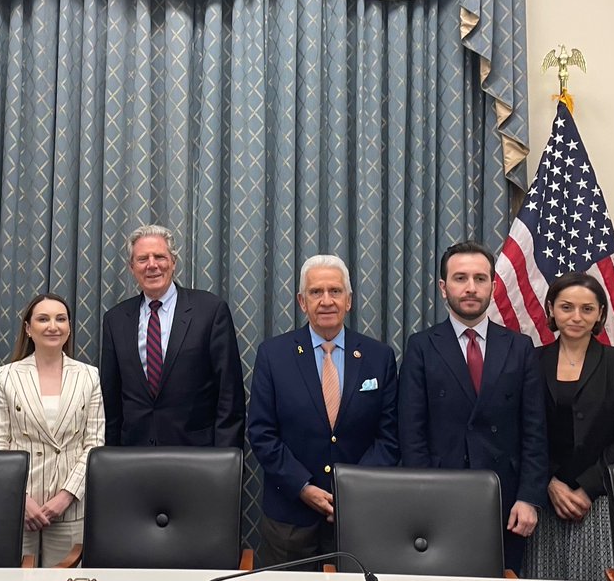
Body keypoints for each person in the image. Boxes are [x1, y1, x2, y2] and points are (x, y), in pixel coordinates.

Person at [398, 240, 548, 574]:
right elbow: (411, 431)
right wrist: (423, 496)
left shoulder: (520, 347)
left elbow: (534, 430)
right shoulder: (421, 347)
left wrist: (529, 497)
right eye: (460, 278)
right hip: (441, 494)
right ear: (443, 287)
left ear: (494, 286)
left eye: (480, 279)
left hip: (506, 500)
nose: (470, 288)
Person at [248, 255, 399, 568]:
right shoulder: (273, 355)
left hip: (360, 515)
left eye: (335, 291)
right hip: (290, 516)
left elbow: (390, 436)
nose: (327, 301)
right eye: (316, 292)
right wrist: (303, 487)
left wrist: (350, 489)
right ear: (302, 302)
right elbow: (261, 433)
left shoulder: (378, 357)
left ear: (349, 301)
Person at [522, 272, 614, 581]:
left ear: (600, 313)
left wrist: (586, 489)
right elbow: (524, 430)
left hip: (599, 500)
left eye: (587, 309)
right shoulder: (531, 361)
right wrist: (550, 483)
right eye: (566, 307)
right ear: (551, 310)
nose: (576, 317)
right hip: (545, 497)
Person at [100, 224, 246, 448]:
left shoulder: (210, 310)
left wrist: (226, 463)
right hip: (133, 459)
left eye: (159, 256)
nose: (152, 265)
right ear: (131, 267)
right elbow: (111, 401)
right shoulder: (115, 319)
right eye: (142, 259)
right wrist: (110, 459)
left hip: (197, 456)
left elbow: (229, 395)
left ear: (173, 262)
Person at [0, 293, 104, 566]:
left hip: (70, 506)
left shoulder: (89, 375)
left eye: (60, 319)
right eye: (43, 319)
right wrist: (21, 498)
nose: (53, 326)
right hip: (19, 505)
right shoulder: (8, 375)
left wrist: (65, 497)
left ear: (69, 328)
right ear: (28, 329)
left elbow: (94, 444)